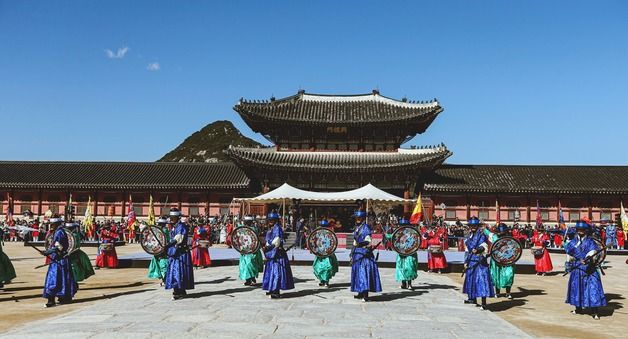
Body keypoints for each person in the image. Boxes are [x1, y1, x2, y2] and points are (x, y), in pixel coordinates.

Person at [565, 220, 607, 320]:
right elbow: (569, 252)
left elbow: (594, 252)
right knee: (577, 288)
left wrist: (589, 259)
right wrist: (573, 261)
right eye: (578, 229)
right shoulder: (573, 242)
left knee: (593, 288)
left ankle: (594, 311)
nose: (580, 231)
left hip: (590, 269)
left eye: (582, 230)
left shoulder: (591, 241)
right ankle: (578, 308)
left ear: (586, 230)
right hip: (577, 268)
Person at [42, 215, 78, 307]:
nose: (51, 225)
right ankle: (63, 297)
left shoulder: (59, 232)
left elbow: (59, 247)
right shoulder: (58, 231)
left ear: (56, 224)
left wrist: (48, 252)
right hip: (59, 258)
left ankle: (51, 299)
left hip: (59, 259)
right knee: (62, 277)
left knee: (54, 278)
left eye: (52, 224)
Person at [462, 216, 494, 310]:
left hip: (480, 261)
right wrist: (466, 261)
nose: (473, 227)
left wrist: (479, 249)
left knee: (481, 280)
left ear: (478, 226)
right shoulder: (469, 236)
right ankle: (472, 298)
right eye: (471, 225)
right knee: (471, 280)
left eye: (475, 225)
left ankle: (483, 303)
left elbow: (484, 246)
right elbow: (467, 250)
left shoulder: (482, 235)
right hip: (471, 260)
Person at [350, 210, 382, 302]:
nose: (357, 219)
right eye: (356, 218)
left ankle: (365, 295)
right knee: (357, 273)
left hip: (364, 253)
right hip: (357, 253)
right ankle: (360, 292)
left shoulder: (366, 228)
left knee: (364, 273)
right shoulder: (357, 228)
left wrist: (360, 245)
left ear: (363, 218)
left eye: (359, 218)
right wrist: (352, 252)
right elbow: (355, 241)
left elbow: (368, 241)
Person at [262, 211, 294, 299]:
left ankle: (276, 291)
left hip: (277, 254)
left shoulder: (277, 228)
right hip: (270, 253)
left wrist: (268, 245)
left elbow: (277, 241)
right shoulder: (271, 229)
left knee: (276, 272)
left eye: (272, 220)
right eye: (270, 220)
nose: (271, 221)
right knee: (270, 271)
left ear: (276, 220)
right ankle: (271, 288)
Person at [165, 208, 194, 300]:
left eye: (173, 217)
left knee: (178, 272)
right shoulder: (174, 226)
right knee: (176, 271)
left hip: (180, 253)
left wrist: (169, 243)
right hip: (174, 252)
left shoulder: (181, 226)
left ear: (178, 217)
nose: (171, 219)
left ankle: (178, 291)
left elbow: (178, 238)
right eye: (171, 217)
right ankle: (178, 290)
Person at [484, 223, 515, 299]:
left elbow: (515, 248)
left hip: (508, 260)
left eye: (503, 231)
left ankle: (508, 293)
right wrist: (482, 226)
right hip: (496, 260)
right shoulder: (494, 236)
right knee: (496, 276)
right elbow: (486, 232)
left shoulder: (510, 239)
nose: (501, 233)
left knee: (509, 275)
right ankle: (497, 293)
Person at [388, 217, 418, 289]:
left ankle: (409, 284)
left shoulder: (412, 233)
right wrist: (388, 236)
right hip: (401, 253)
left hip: (410, 253)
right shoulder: (398, 232)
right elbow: (393, 238)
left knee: (409, 268)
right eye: (401, 225)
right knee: (401, 268)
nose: (402, 226)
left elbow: (415, 242)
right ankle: (403, 284)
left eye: (404, 225)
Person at [312, 219, 339, 288]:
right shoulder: (317, 233)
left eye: (324, 226)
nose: (323, 227)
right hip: (319, 253)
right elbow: (314, 242)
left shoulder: (330, 233)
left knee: (327, 267)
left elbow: (333, 243)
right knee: (318, 267)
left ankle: (326, 281)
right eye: (322, 226)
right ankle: (322, 280)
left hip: (328, 254)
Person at [238, 216, 264, 286]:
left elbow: (255, 239)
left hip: (252, 250)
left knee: (251, 265)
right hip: (245, 250)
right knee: (245, 265)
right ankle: (248, 280)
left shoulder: (254, 229)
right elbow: (240, 238)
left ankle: (252, 279)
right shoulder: (243, 229)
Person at [147, 217, 171, 284]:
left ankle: (165, 280)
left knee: (162, 265)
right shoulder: (158, 230)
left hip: (160, 249)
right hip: (159, 249)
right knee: (161, 265)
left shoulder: (162, 230)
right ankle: (164, 280)